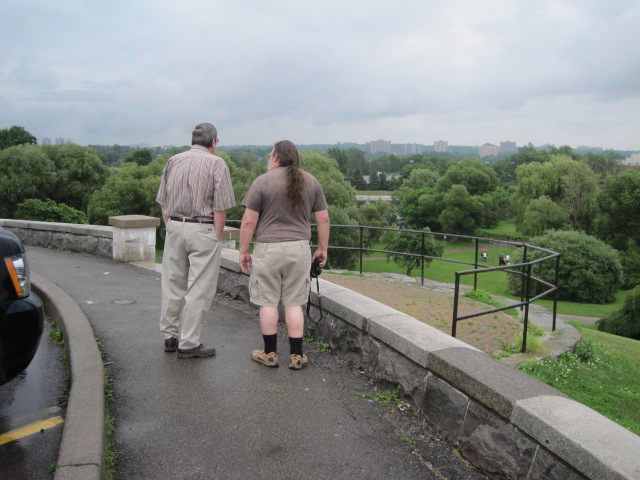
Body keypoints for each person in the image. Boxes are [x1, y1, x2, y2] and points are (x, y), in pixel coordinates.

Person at [239, 140, 329, 370]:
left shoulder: (262, 181)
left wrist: (243, 251)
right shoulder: (311, 181)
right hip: (299, 250)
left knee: (268, 302)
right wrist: (322, 249)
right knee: (294, 303)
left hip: (268, 249)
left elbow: (249, 221)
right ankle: (297, 355)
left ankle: (270, 353)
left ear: (276, 157)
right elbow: (323, 219)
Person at [156, 123, 236, 359]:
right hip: (203, 228)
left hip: (175, 226)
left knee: (172, 283)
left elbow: (163, 200)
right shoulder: (217, 163)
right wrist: (217, 236)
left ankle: (169, 336)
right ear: (213, 142)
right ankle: (189, 343)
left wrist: (170, 223)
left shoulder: (173, 160)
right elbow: (220, 208)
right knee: (199, 287)